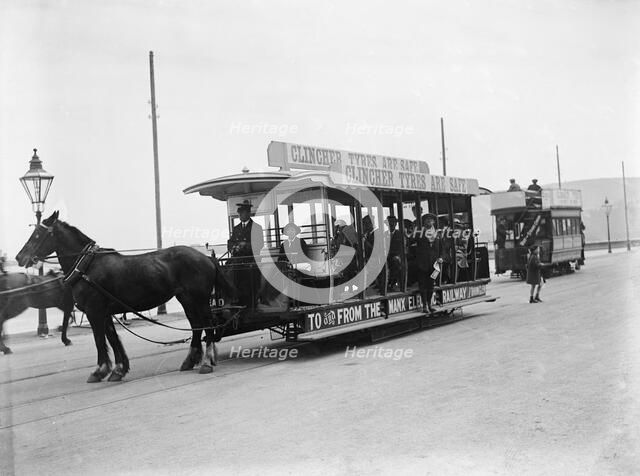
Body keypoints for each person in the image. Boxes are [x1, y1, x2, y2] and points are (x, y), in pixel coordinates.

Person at [227, 200, 264, 306]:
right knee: (227, 271)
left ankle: (252, 301)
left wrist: (244, 246)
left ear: (248, 213)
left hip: (251, 259)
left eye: (242, 213)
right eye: (239, 214)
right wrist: (233, 248)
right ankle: (233, 298)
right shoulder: (236, 228)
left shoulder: (256, 228)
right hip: (237, 260)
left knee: (250, 278)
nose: (240, 216)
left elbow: (259, 244)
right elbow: (231, 242)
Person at [415, 214, 442, 314]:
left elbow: (441, 248)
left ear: (434, 222)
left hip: (435, 265)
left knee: (431, 285)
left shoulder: (438, 234)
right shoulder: (419, 233)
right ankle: (424, 306)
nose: (429, 222)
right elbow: (412, 243)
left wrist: (441, 258)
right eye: (427, 220)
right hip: (422, 264)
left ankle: (430, 304)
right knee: (423, 285)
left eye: (431, 220)